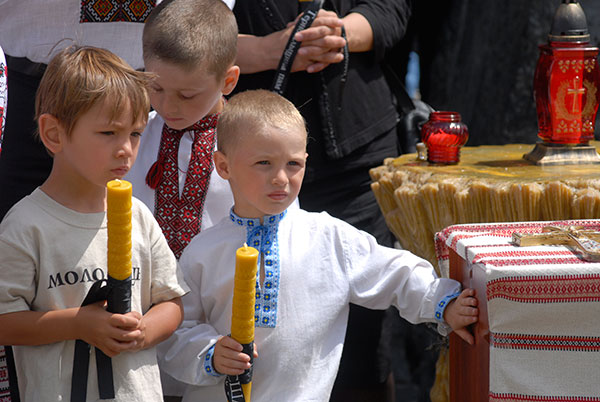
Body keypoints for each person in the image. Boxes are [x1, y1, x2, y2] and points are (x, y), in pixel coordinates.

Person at [158, 89, 479, 402]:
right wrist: (211, 353)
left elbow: (396, 273)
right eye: (264, 163)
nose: (281, 178)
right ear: (224, 166)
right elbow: (176, 332)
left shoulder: (328, 238)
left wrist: (444, 302)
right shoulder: (202, 251)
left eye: (293, 164)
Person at [230, 1, 418, 399]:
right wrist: (272, 49)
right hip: (252, 158)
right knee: (260, 328)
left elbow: (392, 8)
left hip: (357, 153)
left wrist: (338, 35)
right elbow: (186, 30)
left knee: (366, 336)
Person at [0, 46, 189, 402]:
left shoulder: (138, 216)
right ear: (54, 134)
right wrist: (76, 324)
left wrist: (144, 331)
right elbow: (4, 322)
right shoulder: (27, 225)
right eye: (108, 133)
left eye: (134, 134)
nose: (126, 150)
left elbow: (172, 302)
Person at [125, 0, 240, 260]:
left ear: (228, 81)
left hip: (223, 290)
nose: (168, 106)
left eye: (187, 95)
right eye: (155, 88)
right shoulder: (133, 135)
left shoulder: (250, 140)